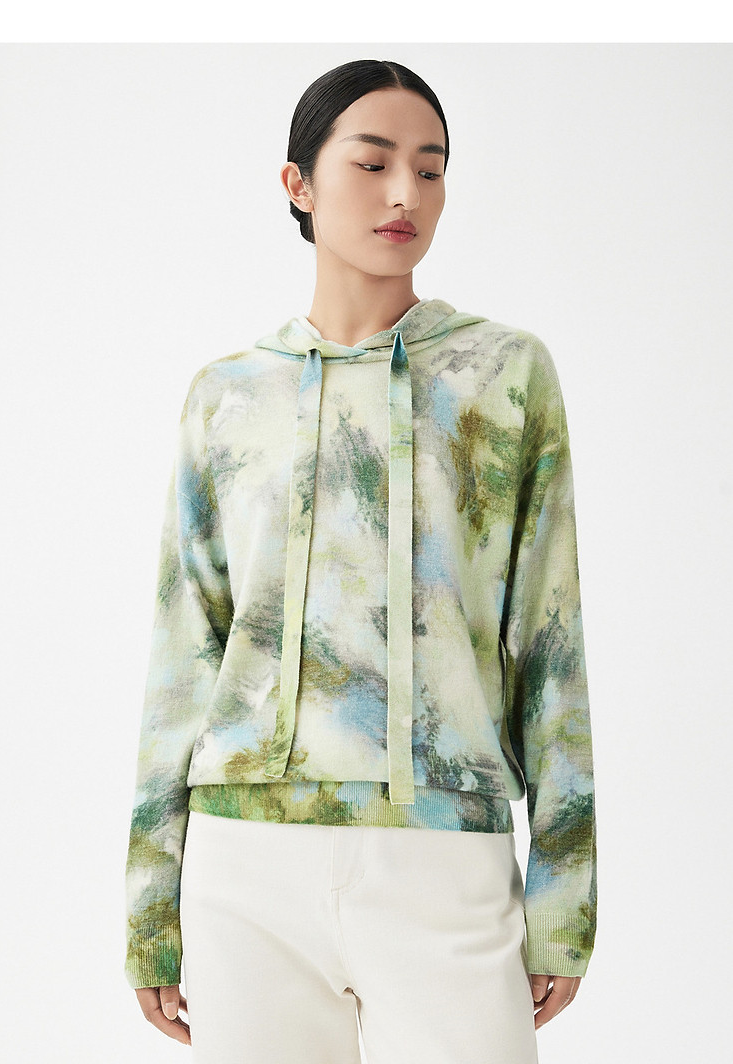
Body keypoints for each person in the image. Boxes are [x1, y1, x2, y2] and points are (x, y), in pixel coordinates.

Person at [124, 58, 597, 1063]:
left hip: (446, 861)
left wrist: (565, 892)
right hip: (244, 868)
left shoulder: (504, 375)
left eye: (430, 168)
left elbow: (550, 647)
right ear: (298, 183)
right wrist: (150, 906)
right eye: (373, 162)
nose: (405, 195)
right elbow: (184, 656)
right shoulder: (227, 395)